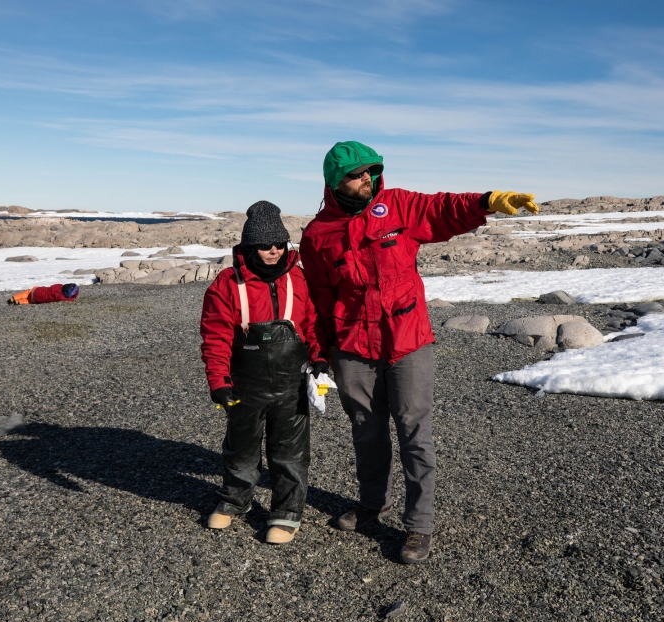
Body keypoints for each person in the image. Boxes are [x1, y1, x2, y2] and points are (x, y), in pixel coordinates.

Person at [299, 141, 538, 563]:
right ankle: (374, 504)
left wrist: (487, 201)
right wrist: (321, 353)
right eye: (357, 175)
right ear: (336, 181)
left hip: (408, 340)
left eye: (371, 171)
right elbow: (317, 299)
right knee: (366, 431)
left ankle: (418, 525)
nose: (367, 179)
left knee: (414, 432)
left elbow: (442, 209)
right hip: (354, 346)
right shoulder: (318, 235)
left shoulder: (397, 206)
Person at [200, 201, 329, 545]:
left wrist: (320, 360)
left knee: (289, 451)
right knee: (241, 447)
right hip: (245, 383)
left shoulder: (300, 280)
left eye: (278, 243)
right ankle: (234, 500)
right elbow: (215, 336)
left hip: (292, 384)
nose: (273, 251)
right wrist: (219, 382)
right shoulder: (227, 284)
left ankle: (287, 513)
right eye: (264, 245)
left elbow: (314, 324)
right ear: (248, 246)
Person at [8, 283, 79, 305]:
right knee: (30, 301)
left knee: (28, 293)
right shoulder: (61, 297)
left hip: (37, 290)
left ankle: (14, 298)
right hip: (37, 299)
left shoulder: (59, 285)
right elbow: (71, 299)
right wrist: (73, 296)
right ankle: (19, 302)